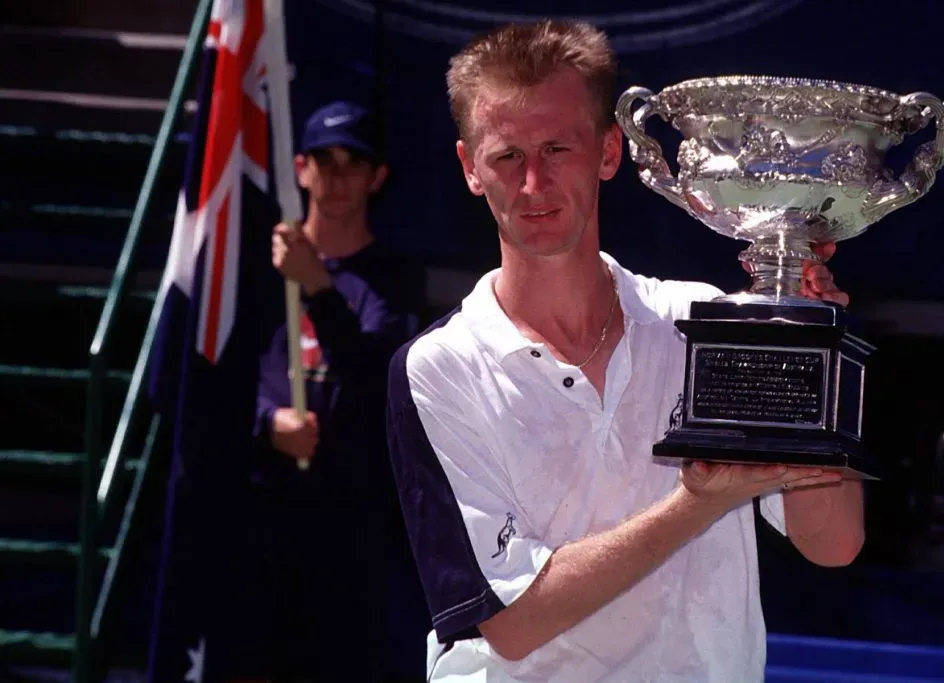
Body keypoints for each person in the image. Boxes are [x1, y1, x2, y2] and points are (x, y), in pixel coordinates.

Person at [385, 20, 863, 682]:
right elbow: (512, 622)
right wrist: (696, 503)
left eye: (557, 149)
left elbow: (833, 543)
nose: (533, 184)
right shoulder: (439, 369)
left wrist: (812, 349)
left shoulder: (705, 322)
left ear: (610, 152)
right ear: (470, 167)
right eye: (506, 157)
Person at [252, 100, 429, 681]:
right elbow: (218, 376)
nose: (335, 176)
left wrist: (321, 292)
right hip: (265, 509)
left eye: (352, 162)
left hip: (356, 522)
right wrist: (265, 424)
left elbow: (382, 379)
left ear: (377, 177)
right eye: (322, 161)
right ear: (300, 168)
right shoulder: (257, 267)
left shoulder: (394, 277)